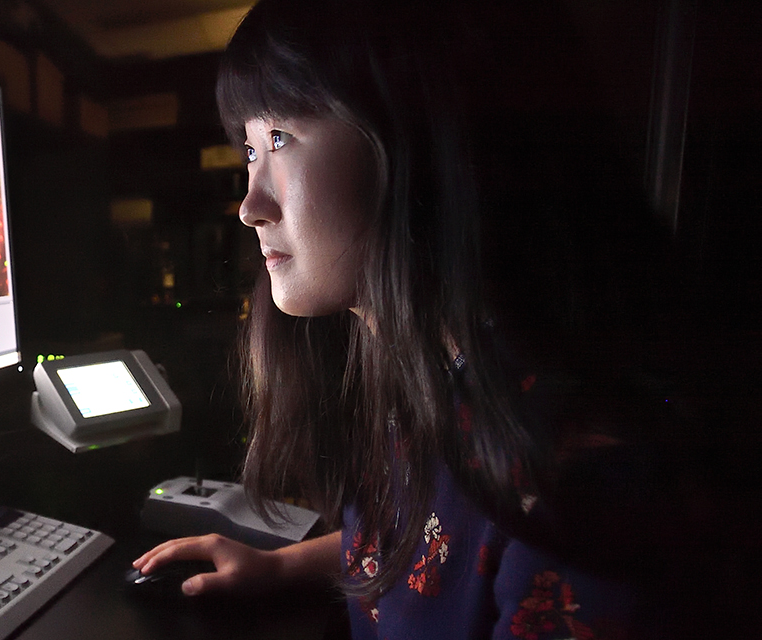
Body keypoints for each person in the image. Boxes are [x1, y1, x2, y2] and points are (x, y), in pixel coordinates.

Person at [131, 0, 718, 637]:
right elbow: (429, 553)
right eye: (249, 150)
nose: (250, 206)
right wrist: (281, 567)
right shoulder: (447, 381)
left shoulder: (580, 479)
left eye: (280, 138)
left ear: (420, 140)